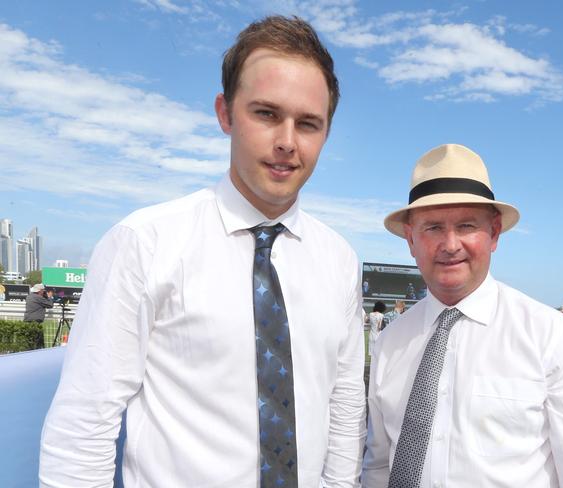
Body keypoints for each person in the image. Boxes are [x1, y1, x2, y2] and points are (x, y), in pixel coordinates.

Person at [40, 16, 366, 487]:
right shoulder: (145, 243)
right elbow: (84, 425)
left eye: (308, 123)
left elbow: (344, 405)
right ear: (225, 114)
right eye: (267, 114)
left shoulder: (340, 260)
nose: (287, 143)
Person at [362, 144, 563, 487]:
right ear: (411, 239)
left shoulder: (554, 339)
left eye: (467, 225)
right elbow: (379, 467)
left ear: (494, 233)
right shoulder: (390, 343)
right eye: (433, 228)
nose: (451, 244)